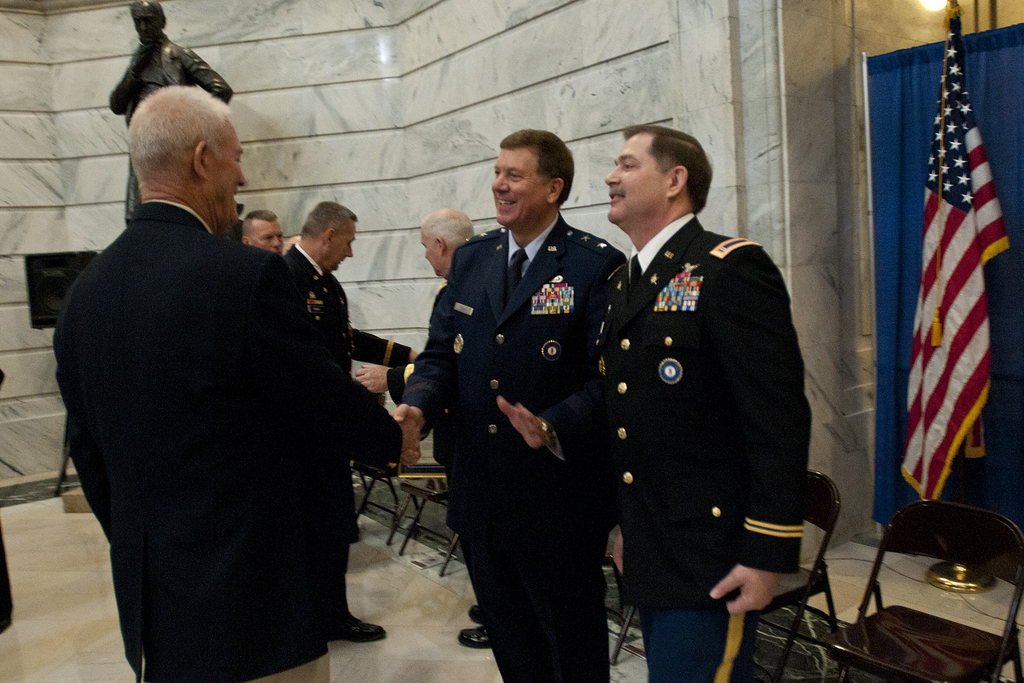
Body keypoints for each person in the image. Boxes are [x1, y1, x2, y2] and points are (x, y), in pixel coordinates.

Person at [53, 85, 402, 683]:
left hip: (156, 611)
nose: (241, 177)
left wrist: (152, 548)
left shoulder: (84, 293)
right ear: (201, 159)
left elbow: (91, 457)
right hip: (252, 605)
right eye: (236, 158)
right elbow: (318, 400)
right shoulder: (244, 276)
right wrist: (393, 436)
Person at [395, 130, 625, 683]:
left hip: (556, 503)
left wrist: (552, 423)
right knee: (513, 649)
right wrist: (418, 406)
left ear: (553, 188)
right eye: (497, 172)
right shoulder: (472, 260)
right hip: (481, 495)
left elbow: (611, 381)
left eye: (514, 175)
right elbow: (439, 355)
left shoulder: (594, 265)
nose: (498, 184)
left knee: (572, 653)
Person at [602, 124, 810, 683]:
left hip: (711, 555)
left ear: (675, 180)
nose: (611, 177)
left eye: (627, 164)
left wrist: (766, 552)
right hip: (651, 542)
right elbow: (632, 419)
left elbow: (777, 419)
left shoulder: (729, 267)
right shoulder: (627, 280)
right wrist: (625, 528)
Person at [282, 200, 416, 643]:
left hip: (327, 429)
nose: (351, 253)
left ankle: (329, 614)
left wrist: (405, 356)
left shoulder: (325, 282)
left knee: (334, 525)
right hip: (307, 433)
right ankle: (321, 618)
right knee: (319, 527)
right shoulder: (287, 278)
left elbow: (347, 339)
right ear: (329, 236)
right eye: (349, 243)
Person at [354, 208, 486, 647]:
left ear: (440, 245)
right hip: (459, 432)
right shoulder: (460, 285)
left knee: (479, 530)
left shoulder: (469, 287)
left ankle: (498, 614)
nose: (425, 254)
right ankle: (492, 604)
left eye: (426, 246)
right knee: (471, 526)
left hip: (472, 435)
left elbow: (459, 365)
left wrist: (393, 377)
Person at [109, 1, 232, 222]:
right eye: (138, 21)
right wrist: (135, 70)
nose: (143, 27)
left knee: (179, 211)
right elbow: (116, 104)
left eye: (149, 20)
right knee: (139, 216)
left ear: (162, 21)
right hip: (146, 146)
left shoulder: (180, 55)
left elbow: (221, 89)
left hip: (177, 146)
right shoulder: (137, 61)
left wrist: (192, 123)